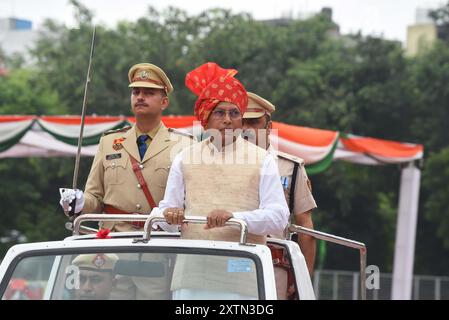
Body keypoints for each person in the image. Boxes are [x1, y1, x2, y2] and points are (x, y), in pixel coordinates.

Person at [59, 62, 195, 299]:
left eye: (149, 93)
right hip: (113, 244)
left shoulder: (185, 145)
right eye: (136, 92)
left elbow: (190, 201)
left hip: (158, 243)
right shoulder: (110, 142)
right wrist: (79, 202)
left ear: (164, 102)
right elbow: (95, 197)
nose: (140, 97)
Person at [155, 62, 290, 299]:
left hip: (243, 275)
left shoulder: (262, 159)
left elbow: (279, 218)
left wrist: (234, 218)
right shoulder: (184, 158)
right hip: (191, 277)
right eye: (220, 112)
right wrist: (170, 216)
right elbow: (166, 216)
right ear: (205, 118)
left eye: (234, 113)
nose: (228, 120)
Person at [242, 92, 317, 299]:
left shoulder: (290, 167)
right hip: (232, 257)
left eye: (254, 122)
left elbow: (305, 226)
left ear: (269, 127)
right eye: (242, 122)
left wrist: (303, 278)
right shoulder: (220, 163)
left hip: (273, 264)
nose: (247, 129)